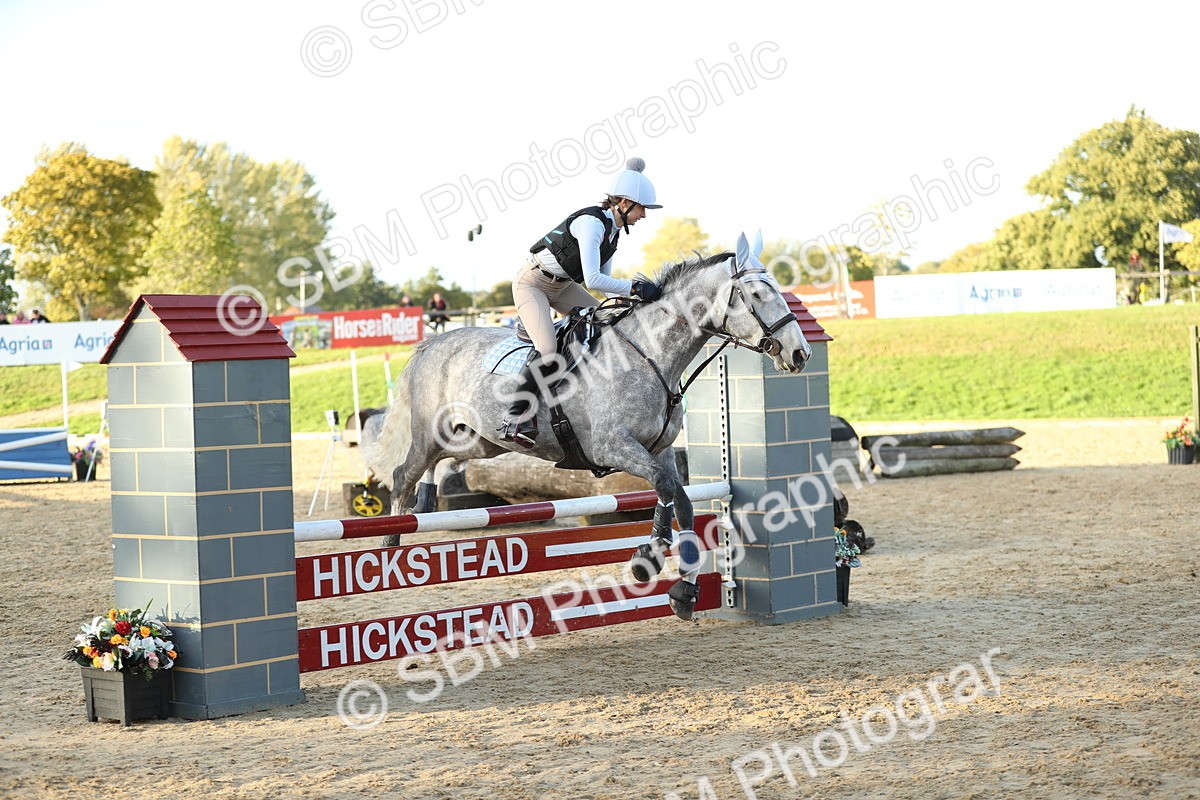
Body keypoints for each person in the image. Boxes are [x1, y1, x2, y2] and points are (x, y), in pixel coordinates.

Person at [499, 156, 664, 447]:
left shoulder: (613, 234)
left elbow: (605, 290)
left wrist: (630, 303)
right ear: (624, 203)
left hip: (563, 287)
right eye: (642, 208)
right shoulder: (592, 224)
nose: (644, 215)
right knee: (548, 348)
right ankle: (516, 414)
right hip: (533, 283)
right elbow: (594, 280)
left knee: (605, 322)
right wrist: (636, 288)